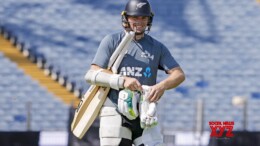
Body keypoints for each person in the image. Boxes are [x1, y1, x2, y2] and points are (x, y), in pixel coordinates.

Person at [85, 0, 185, 145]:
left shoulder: (157, 46)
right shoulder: (112, 41)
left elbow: (179, 74)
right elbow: (91, 74)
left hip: (145, 113)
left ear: (149, 19)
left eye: (143, 18)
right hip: (115, 111)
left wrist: (161, 86)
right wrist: (122, 80)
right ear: (126, 18)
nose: (140, 21)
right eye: (135, 17)